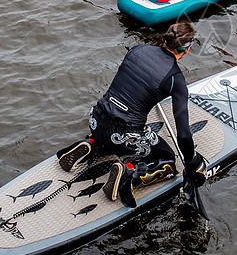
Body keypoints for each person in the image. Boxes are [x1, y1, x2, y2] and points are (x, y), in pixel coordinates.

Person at [55, 22, 206, 208]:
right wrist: (192, 161)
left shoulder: (137, 50)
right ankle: (129, 174)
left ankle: (92, 143)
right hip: (124, 136)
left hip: (96, 119)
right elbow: (183, 134)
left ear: (164, 38)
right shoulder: (175, 79)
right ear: (187, 49)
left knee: (124, 129)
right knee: (167, 159)